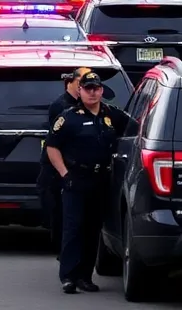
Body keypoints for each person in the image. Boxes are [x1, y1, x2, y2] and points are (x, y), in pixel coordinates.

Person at [45, 71, 131, 294]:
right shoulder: (68, 117)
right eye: (87, 89)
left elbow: (134, 131)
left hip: (101, 180)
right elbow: (52, 147)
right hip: (76, 179)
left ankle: (85, 276)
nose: (92, 93)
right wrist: (64, 174)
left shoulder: (113, 115)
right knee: (73, 228)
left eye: (96, 88)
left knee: (93, 229)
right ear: (79, 91)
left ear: (101, 91)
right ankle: (69, 277)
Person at [39, 67, 94, 254]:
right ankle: (63, 255)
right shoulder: (62, 106)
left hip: (81, 171)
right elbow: (57, 143)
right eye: (82, 83)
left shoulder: (89, 106)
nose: (86, 88)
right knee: (60, 215)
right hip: (58, 170)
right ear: (71, 82)